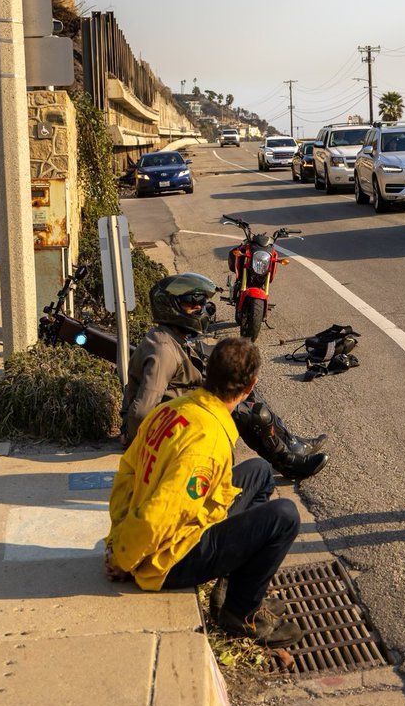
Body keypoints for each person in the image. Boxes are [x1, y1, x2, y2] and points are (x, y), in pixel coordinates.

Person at [105, 337, 304, 647]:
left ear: (207, 372)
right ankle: (241, 613)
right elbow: (158, 516)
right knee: (285, 516)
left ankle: (238, 586)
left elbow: (126, 473)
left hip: (166, 533)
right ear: (249, 386)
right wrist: (122, 556)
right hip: (168, 559)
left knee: (260, 473)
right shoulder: (207, 443)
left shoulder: (172, 409)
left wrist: (117, 532)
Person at [120, 273, 328, 480]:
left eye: (202, 303)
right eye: (193, 303)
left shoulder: (170, 337)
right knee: (245, 411)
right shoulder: (163, 350)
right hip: (176, 423)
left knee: (240, 386)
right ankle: (287, 463)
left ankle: (291, 444)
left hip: (182, 408)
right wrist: (138, 449)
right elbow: (142, 411)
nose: (200, 309)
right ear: (171, 306)